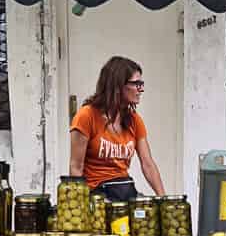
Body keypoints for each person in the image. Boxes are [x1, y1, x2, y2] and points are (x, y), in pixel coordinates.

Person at [69, 56, 166, 201]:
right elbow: (76, 167)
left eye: (142, 84)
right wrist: (81, 206)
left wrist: (163, 200)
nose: (141, 89)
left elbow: (148, 164)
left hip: (123, 192)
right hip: (96, 197)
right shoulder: (86, 116)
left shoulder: (134, 120)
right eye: (136, 84)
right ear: (118, 86)